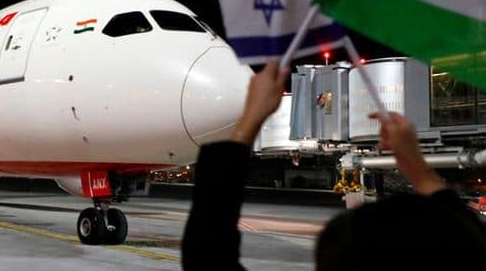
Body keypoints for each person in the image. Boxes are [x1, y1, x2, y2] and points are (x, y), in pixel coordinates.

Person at [181, 60, 485, 271]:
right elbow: (468, 238)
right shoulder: (465, 242)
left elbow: (206, 253)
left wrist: (249, 121)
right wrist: (420, 169)